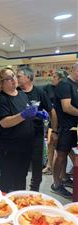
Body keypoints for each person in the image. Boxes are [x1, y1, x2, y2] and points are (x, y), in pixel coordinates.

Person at [0, 67, 39, 192]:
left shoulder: (22, 94)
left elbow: (27, 111)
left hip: (25, 145)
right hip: (8, 147)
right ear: (1, 83)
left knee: (21, 176)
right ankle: (2, 205)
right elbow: (5, 123)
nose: (13, 79)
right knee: (8, 177)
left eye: (13, 75)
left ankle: (19, 202)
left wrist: (36, 114)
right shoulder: (0, 99)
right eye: (8, 78)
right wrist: (23, 115)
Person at [17, 65, 58, 191]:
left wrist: (54, 131)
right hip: (19, 135)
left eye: (19, 76)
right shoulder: (15, 92)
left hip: (36, 134)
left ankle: (34, 192)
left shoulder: (39, 92)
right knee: (21, 166)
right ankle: (20, 193)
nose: (16, 79)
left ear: (28, 77)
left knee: (36, 166)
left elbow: (52, 111)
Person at [51, 63, 78, 198]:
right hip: (64, 127)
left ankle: (64, 178)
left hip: (73, 126)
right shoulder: (65, 85)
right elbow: (67, 107)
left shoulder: (75, 85)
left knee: (66, 153)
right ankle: (56, 185)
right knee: (61, 155)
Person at [42, 70, 68, 175]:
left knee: (63, 146)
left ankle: (62, 171)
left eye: (54, 76)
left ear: (60, 79)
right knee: (50, 143)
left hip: (63, 121)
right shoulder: (48, 87)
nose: (52, 78)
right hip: (52, 120)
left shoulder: (66, 89)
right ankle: (49, 166)